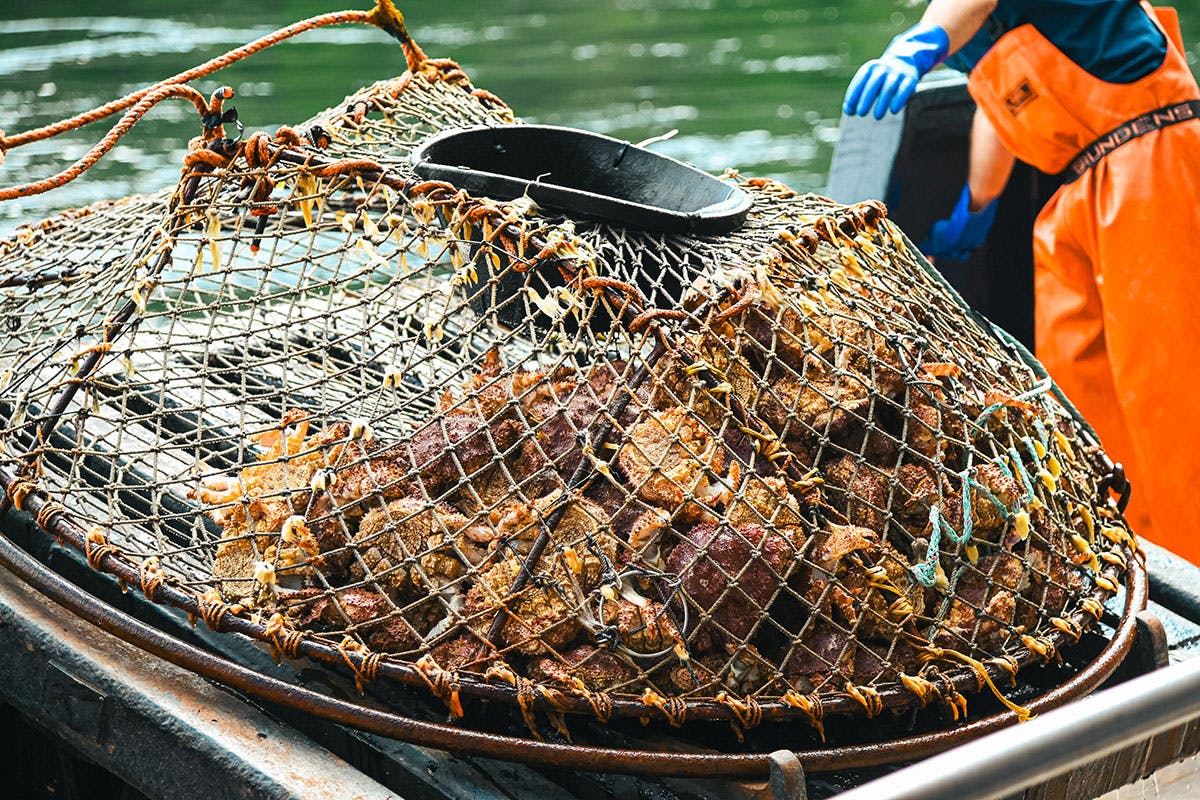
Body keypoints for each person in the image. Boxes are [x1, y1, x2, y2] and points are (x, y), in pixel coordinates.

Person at [842, 1, 1200, 562]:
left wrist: (920, 42)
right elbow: (1002, 103)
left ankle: (1191, 568)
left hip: (1153, 161)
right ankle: (1133, 559)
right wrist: (975, 208)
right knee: (1076, 398)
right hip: (1078, 190)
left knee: (1170, 399)